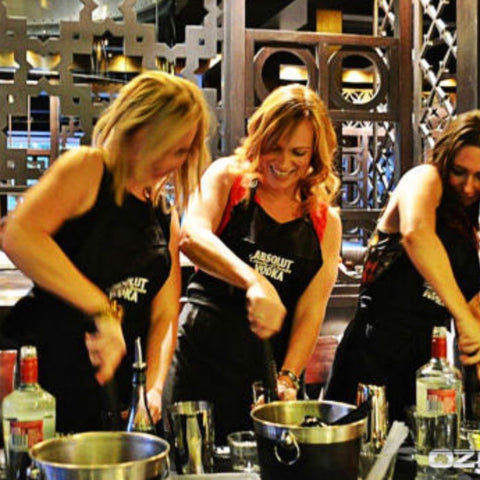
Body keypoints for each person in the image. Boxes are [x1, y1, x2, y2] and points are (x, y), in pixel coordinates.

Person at [0, 71, 212, 433]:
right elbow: (17, 234)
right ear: (135, 129)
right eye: (167, 147)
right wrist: (101, 309)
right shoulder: (88, 169)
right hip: (47, 380)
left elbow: (164, 316)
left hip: (114, 396)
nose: (171, 161)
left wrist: (154, 388)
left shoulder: (163, 214)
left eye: (182, 151)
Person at [163, 83, 342, 443]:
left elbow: (311, 309)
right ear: (259, 136)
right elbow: (191, 236)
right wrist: (255, 282)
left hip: (264, 368)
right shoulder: (228, 178)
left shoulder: (326, 221)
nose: (284, 162)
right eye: (274, 147)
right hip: (203, 351)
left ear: (315, 156)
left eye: (298, 152)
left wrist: (289, 377)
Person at [325, 110, 480, 421]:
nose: (468, 186)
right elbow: (416, 234)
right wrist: (463, 319)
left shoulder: (467, 227)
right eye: (460, 172)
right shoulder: (425, 178)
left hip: (427, 364)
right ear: (445, 159)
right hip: (373, 354)